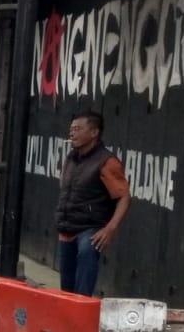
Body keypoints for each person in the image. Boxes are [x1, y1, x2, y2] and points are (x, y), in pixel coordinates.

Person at [55, 110, 130, 296]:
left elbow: (124, 196)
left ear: (94, 132)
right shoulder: (71, 158)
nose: (72, 133)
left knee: (84, 272)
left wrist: (110, 228)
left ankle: (82, 317)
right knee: (67, 288)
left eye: (78, 129)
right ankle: (68, 322)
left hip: (90, 228)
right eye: (71, 129)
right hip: (67, 227)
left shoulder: (107, 161)